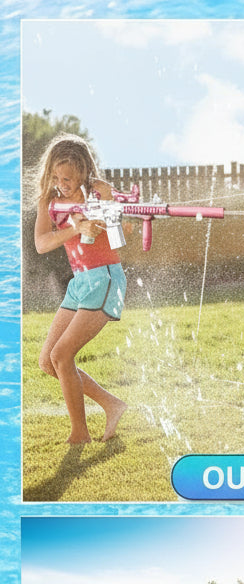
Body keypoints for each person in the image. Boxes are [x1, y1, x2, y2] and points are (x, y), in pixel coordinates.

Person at [33, 134, 128, 444]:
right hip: (80, 282)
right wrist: (76, 228)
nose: (62, 183)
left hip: (105, 278)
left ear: (85, 173)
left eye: (69, 179)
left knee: (62, 355)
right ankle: (112, 404)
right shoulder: (48, 202)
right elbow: (41, 244)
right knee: (49, 361)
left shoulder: (98, 192)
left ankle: (79, 434)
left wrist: (104, 213)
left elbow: (121, 235)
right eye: (57, 177)